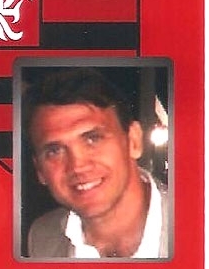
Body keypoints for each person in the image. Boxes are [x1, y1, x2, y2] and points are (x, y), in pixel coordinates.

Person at [23, 67, 170, 258]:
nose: (78, 166)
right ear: (40, 170)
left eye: (93, 139)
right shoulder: (42, 236)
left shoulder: (198, 224)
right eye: (54, 151)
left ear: (133, 141)